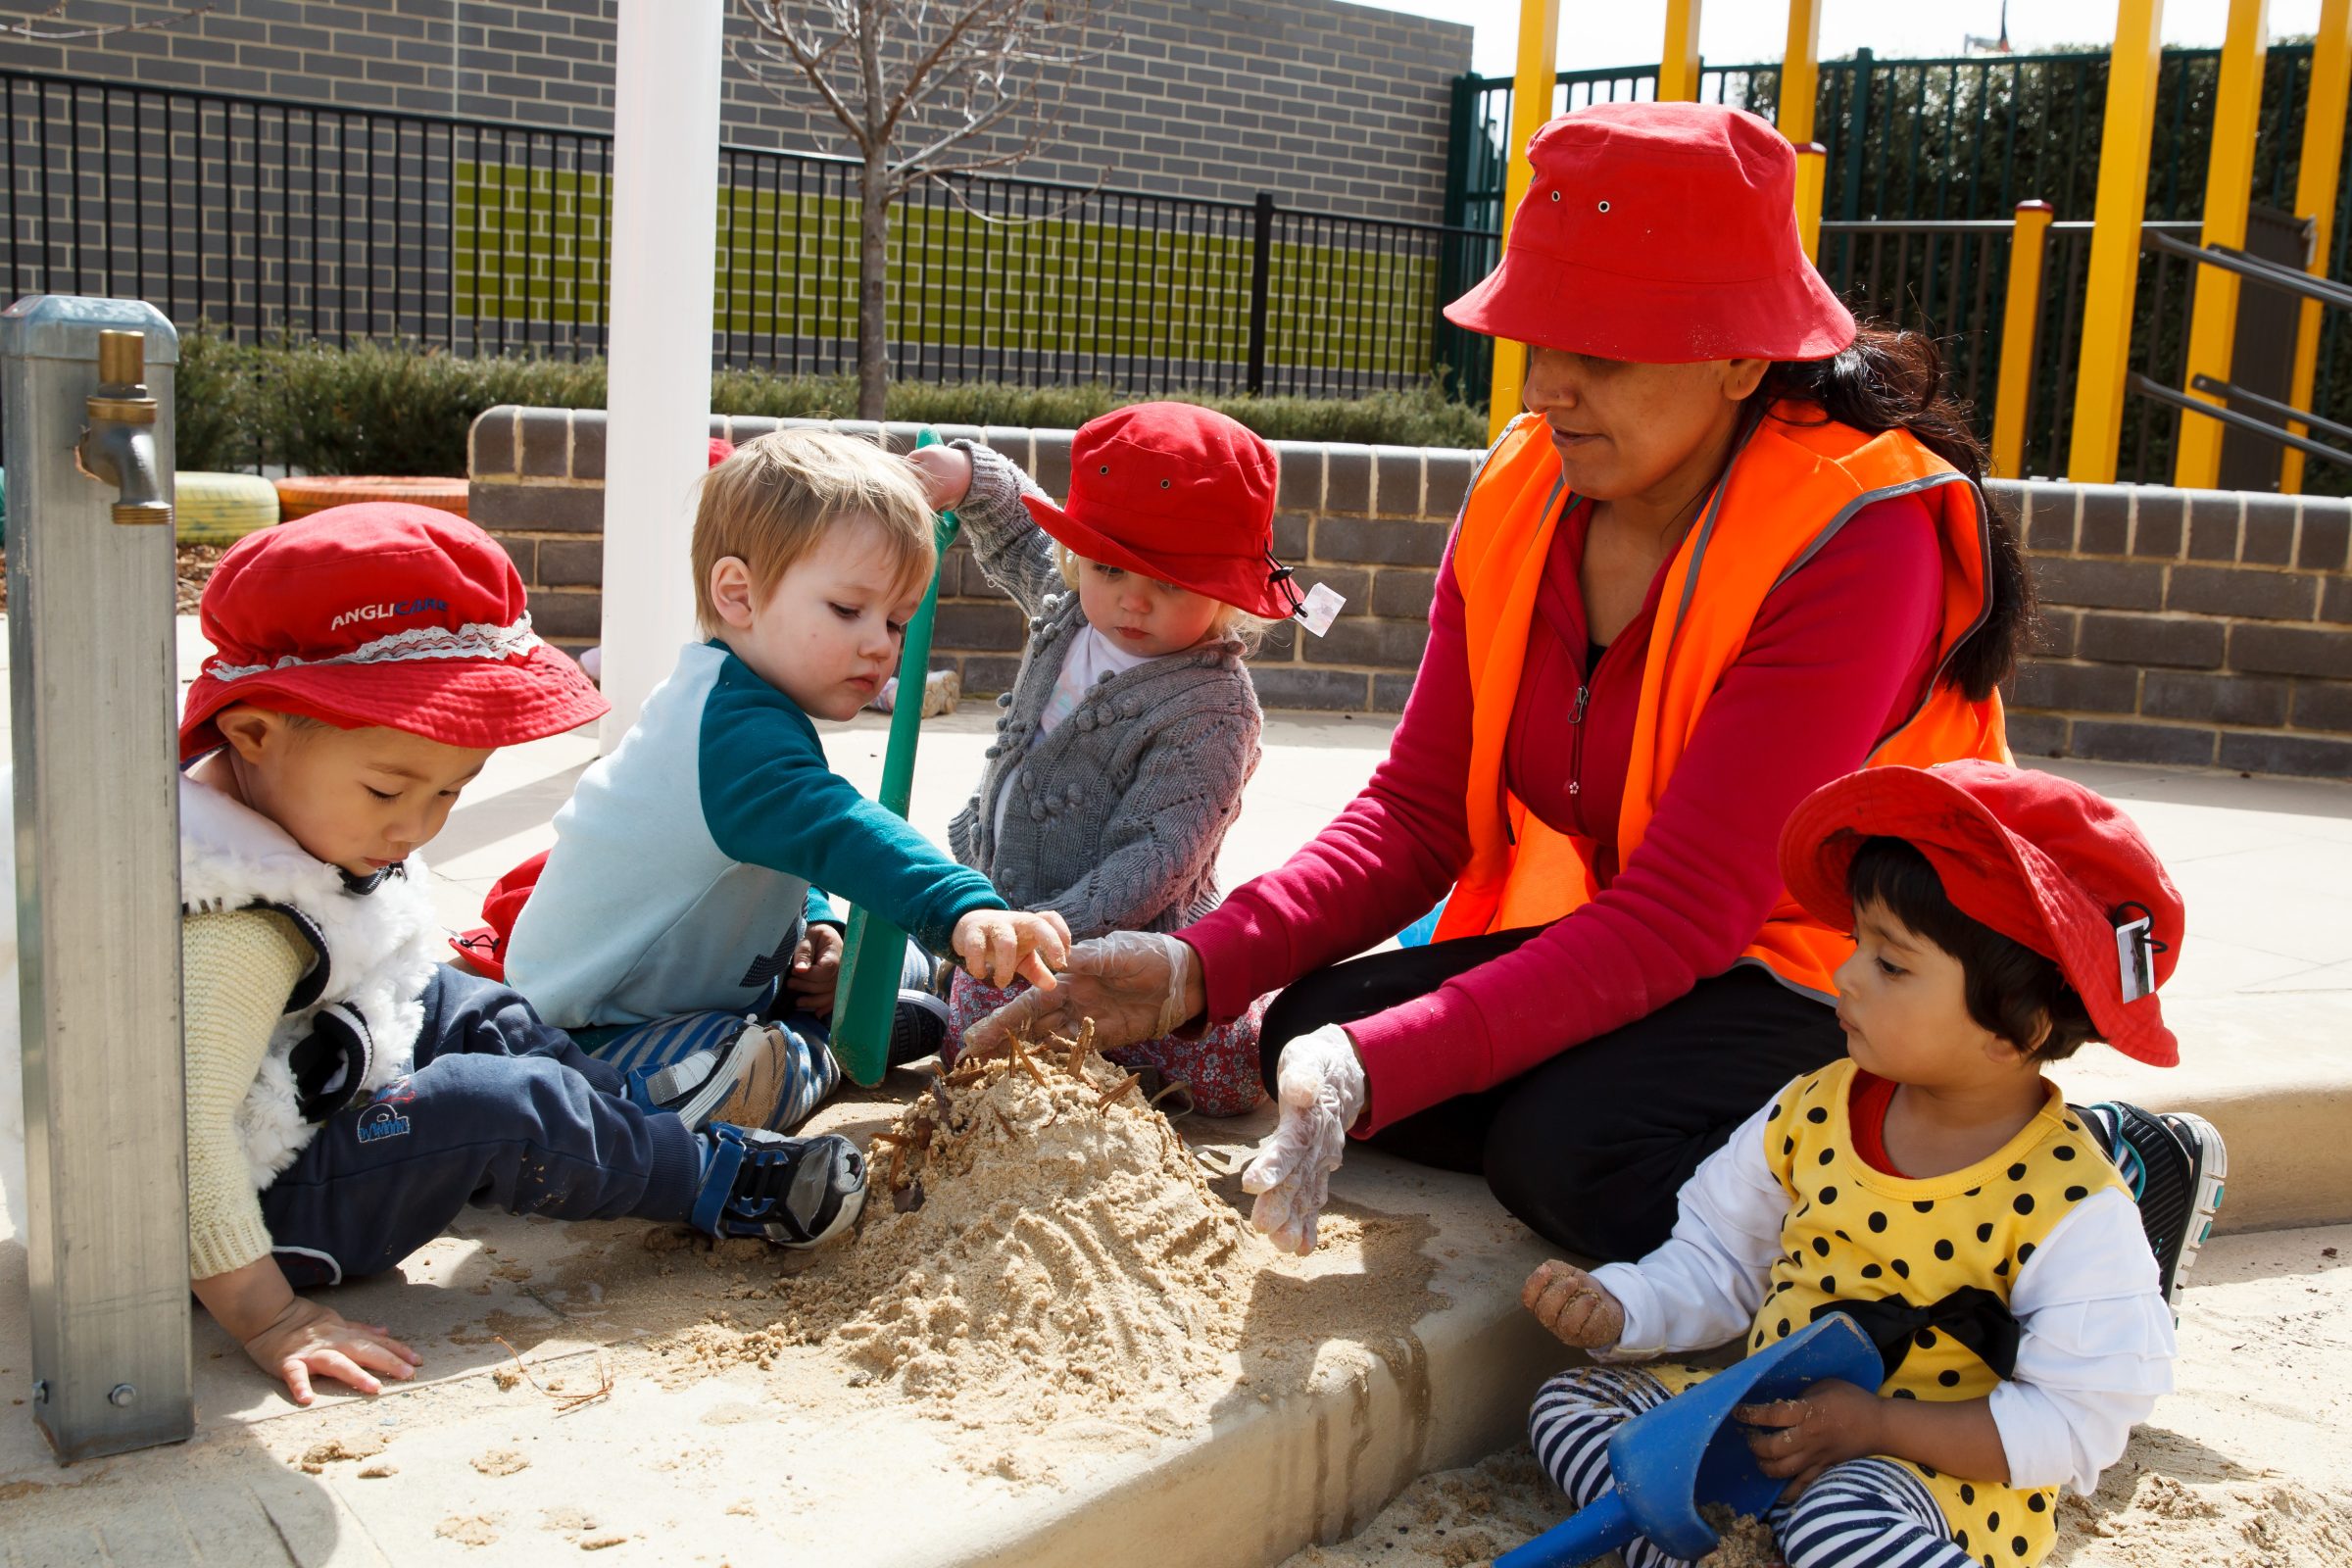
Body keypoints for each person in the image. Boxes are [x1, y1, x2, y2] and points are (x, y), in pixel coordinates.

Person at [965, 101, 2222, 1295]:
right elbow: (1416, 815)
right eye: (1538, 339)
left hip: (1870, 980)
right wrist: (1193, 965)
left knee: (1567, 1153)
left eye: (1602, 353)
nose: (1544, 388)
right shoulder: (1524, 487)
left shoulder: (1859, 534)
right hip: (1686, 955)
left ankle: (2064, 1188)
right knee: (1319, 1017)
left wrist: (1378, 1065)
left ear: (1743, 358)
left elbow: (1682, 914)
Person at [162, 505, 869, 1405]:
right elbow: (180, 1145)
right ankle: (716, 1176)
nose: (418, 825)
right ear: (254, 733)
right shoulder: (236, 925)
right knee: (490, 1107)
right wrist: (270, 1317)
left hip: (313, 1073)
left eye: (452, 790)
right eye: (389, 787)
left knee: (472, 1006)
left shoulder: (295, 812)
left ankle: (620, 1118)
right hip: (265, 1210)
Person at [1515, 760, 2207, 1568]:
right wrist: (1623, 1304)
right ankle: (1696, 1551)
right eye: (1857, 941)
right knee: (1576, 1404)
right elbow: (1719, 1259)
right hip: (1767, 1429)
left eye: (1892, 963)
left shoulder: (2072, 1208)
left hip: (1930, 1472)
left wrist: (1876, 1428)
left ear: (2014, 1026)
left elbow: (2076, 1422)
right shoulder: (1814, 1109)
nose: (1844, 974)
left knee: (1841, 1516)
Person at [498, 428, 1071, 1132]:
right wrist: (962, 905)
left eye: (896, 621)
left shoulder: (743, 701)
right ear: (738, 595)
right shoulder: (730, 733)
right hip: (595, 1034)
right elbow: (835, 829)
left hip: (719, 983)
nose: (880, 645)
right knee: (729, 1078)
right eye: (846, 610)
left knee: (885, 954)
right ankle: (837, 1043)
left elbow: (794, 849)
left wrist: (822, 923)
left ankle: (870, 1007)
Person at [909, 404, 1304, 1115]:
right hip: (1008, 909)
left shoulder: (1211, 707)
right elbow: (1019, 530)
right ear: (1080, 559)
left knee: (1230, 1076)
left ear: (1226, 592)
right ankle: (959, 994)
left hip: (1138, 945)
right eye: (1109, 568)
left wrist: (1050, 928)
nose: (1133, 599)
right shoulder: (1070, 609)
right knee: (974, 1045)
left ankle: (1182, 1041)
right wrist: (967, 475)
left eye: (1172, 584)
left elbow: (1155, 857)